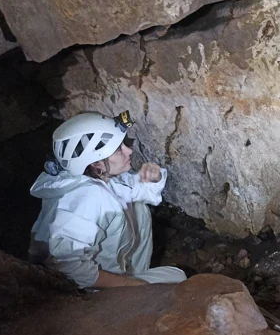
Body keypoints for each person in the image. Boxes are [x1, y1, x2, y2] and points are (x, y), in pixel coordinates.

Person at [28, 110, 186, 288]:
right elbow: (68, 267)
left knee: (138, 206)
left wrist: (153, 178)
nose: (129, 151)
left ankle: (132, 273)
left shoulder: (93, 178)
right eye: (118, 149)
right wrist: (132, 286)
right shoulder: (87, 197)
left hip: (111, 269)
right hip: (90, 288)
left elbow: (133, 189)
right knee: (177, 281)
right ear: (96, 163)